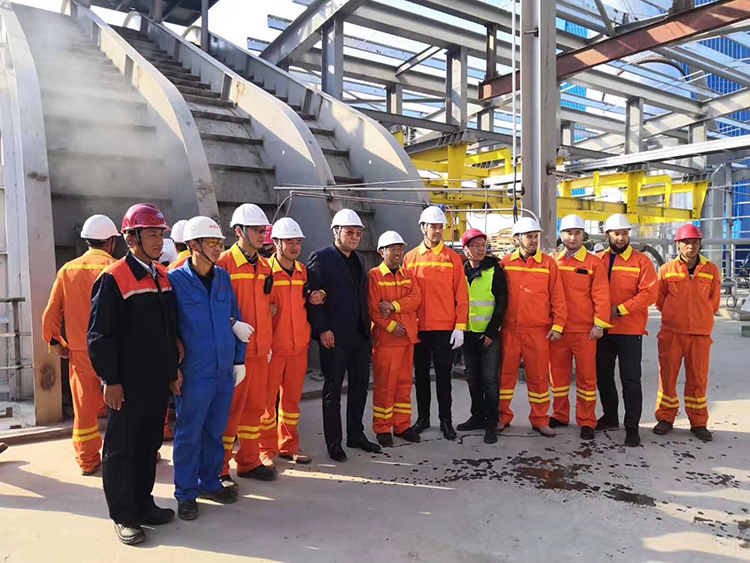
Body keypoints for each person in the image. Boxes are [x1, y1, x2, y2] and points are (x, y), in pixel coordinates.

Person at [88, 203, 179, 545]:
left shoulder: (161, 276)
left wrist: (172, 370)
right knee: (121, 449)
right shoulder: (113, 278)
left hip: (156, 381)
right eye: (151, 234)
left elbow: (169, 330)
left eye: (160, 234)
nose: (158, 241)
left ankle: (144, 504)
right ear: (131, 238)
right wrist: (110, 380)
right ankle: (124, 515)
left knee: (148, 445)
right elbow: (100, 336)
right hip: (126, 385)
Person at [169, 217, 249, 520]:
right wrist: (172, 370)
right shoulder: (175, 280)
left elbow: (235, 319)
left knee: (215, 431)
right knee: (189, 434)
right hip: (195, 372)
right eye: (211, 243)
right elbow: (167, 329)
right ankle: (186, 493)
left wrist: (238, 359)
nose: (217, 249)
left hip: (222, 370)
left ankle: (210, 482)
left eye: (219, 243)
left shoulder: (223, 278)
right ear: (193, 245)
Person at [42, 214, 119, 475]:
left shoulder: (67, 270)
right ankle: (124, 455)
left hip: (80, 351)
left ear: (86, 241)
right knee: (121, 405)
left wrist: (56, 342)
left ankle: (87, 460)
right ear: (110, 242)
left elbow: (52, 313)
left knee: (84, 409)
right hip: (114, 351)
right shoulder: (117, 268)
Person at [307, 209, 381, 461]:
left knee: (360, 388)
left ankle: (356, 434)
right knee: (333, 390)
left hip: (359, 335)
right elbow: (313, 298)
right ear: (336, 232)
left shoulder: (359, 259)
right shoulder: (321, 258)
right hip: (334, 337)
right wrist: (322, 329)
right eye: (350, 232)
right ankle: (334, 442)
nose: (355, 237)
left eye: (358, 233)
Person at [217, 204, 276, 484]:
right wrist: (232, 324)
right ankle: (219, 469)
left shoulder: (264, 266)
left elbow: (265, 307)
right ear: (239, 231)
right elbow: (214, 305)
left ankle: (250, 462)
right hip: (234, 354)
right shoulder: (224, 263)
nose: (262, 235)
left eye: (264, 230)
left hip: (259, 352)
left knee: (255, 410)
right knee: (228, 413)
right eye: (257, 230)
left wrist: (267, 343)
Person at [259, 217, 323, 465]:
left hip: (298, 348)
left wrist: (320, 295)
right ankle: (265, 450)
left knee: (291, 402)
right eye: (290, 242)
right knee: (266, 404)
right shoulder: (264, 271)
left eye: (297, 242)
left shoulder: (302, 272)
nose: (295, 247)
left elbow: (307, 299)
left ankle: (289, 446)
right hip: (273, 349)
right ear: (276, 243)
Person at [403, 206, 468, 441]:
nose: (438, 231)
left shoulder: (453, 258)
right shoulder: (410, 258)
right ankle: (423, 418)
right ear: (423, 228)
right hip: (419, 328)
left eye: (441, 227)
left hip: (444, 329)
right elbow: (405, 293)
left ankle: (446, 420)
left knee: (443, 377)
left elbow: (461, 295)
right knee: (421, 375)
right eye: (433, 226)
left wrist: (460, 327)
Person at [499, 217, 567, 437]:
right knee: (505, 377)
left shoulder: (548, 264)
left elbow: (558, 297)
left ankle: (540, 419)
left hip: (538, 331)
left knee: (538, 378)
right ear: (517, 238)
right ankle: (502, 416)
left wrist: (558, 325)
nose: (533, 240)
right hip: (510, 330)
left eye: (535, 236)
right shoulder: (506, 263)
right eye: (529, 236)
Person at [653, 224, 720, 442]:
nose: (691, 247)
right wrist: (675, 316)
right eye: (686, 243)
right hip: (672, 333)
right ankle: (665, 418)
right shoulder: (666, 270)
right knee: (667, 376)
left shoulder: (711, 270)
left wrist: (699, 317)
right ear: (678, 245)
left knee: (698, 379)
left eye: (694, 243)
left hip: (700, 334)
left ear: (700, 244)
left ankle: (698, 422)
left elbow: (714, 302)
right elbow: (659, 301)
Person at [596, 213, 657, 447]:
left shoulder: (641, 261)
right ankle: (610, 416)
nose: (621, 238)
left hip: (630, 330)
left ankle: (632, 427)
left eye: (624, 233)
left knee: (630, 380)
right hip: (603, 329)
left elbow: (649, 293)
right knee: (603, 376)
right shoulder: (598, 260)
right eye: (616, 234)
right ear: (607, 235)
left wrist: (620, 310)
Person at [550, 215, 612, 441]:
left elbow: (602, 296)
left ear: (583, 236)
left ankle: (587, 420)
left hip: (585, 332)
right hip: (559, 331)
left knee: (587, 378)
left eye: (577, 233)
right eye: (568, 233)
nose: (572, 237)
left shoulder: (594, 263)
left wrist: (599, 325)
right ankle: (560, 415)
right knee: (558, 377)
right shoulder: (553, 262)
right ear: (562, 235)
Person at [368, 231, 422, 447]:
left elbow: (416, 298)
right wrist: (391, 326)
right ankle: (382, 427)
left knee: (403, 385)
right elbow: (373, 308)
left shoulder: (408, 274)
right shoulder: (374, 276)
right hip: (387, 340)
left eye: (400, 248)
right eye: (393, 248)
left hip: (407, 338)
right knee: (385, 386)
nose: (398, 252)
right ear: (382, 252)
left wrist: (393, 306)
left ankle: (402, 425)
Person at [457, 228, 507, 444]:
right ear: (466, 249)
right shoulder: (461, 271)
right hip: (468, 334)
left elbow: (502, 303)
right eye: (476, 245)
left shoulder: (495, 271)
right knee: (473, 379)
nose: (481, 249)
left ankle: (491, 423)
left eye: (483, 245)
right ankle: (477, 416)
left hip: (488, 336)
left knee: (490, 381)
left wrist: (491, 332)